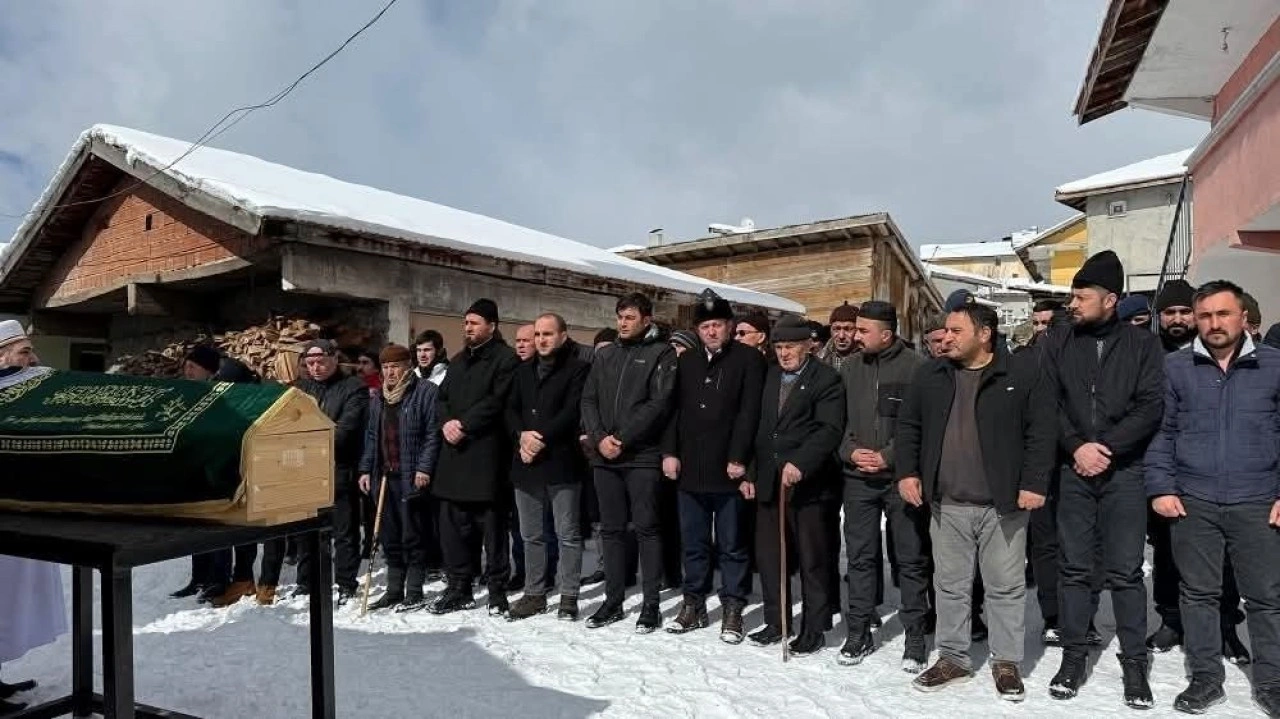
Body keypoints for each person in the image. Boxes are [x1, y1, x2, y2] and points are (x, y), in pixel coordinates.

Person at [896, 296, 1054, 700]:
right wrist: (908, 473)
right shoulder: (930, 375)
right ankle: (953, 658)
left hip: (1003, 505)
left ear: (984, 334)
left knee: (1005, 586)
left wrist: (1035, 483)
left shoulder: (1020, 373)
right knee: (949, 585)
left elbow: (1041, 432)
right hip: (947, 503)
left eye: (955, 331)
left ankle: (1006, 661)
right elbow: (909, 427)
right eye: (945, 330)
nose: (945, 337)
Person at [1144, 280, 1280, 716]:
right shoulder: (1176, 368)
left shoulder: (1274, 366)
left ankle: (1272, 681)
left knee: (1266, 597)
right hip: (1194, 501)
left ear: (1243, 317)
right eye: (1205, 316)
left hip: (1258, 500)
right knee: (1198, 593)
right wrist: (1161, 487)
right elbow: (1161, 433)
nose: (1214, 323)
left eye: (1223, 314)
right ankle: (1205, 678)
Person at [1042, 250, 1162, 708]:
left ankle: (1135, 664)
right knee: (1074, 569)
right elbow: (1047, 401)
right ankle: (1073, 657)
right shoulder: (1058, 341)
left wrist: (1106, 448)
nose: (1072, 304)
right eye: (1072, 296)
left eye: (1081, 297)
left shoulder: (1142, 345)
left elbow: (1150, 406)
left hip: (1124, 471)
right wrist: (1077, 447)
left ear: (1110, 299)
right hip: (1073, 471)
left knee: (1126, 572)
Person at [1147, 279, 1246, 658]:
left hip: (1222, 476)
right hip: (1169, 474)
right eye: (1169, 312)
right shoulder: (1150, 355)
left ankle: (1225, 625)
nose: (1177, 319)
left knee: (1225, 558)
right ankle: (1171, 620)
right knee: (1167, 552)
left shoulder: (1226, 353)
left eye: (1184, 312)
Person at [662, 290, 766, 643]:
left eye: (717, 325)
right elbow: (674, 410)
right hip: (691, 467)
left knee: (732, 544)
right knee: (693, 543)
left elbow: (750, 412)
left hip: (728, 469)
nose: (711, 331)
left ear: (729, 326)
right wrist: (670, 452)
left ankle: (733, 606)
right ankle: (693, 603)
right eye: (705, 326)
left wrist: (740, 458)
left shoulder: (748, 359)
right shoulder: (687, 360)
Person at [836, 301, 932, 671]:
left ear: (887, 334)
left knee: (910, 559)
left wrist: (888, 456)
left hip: (899, 479)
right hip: (858, 479)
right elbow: (837, 422)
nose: (855, 336)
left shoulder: (916, 367)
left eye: (863, 330)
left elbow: (921, 425)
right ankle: (858, 631)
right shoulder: (849, 367)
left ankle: (915, 637)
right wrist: (850, 451)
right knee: (860, 557)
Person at [580, 292, 677, 632]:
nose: (623, 323)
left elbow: (659, 403)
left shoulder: (661, 353)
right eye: (620, 316)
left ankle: (651, 604)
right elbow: (588, 399)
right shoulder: (605, 354)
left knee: (647, 527)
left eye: (630, 317)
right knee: (611, 529)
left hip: (641, 456)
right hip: (604, 457)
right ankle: (613, 600)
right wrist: (599, 438)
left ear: (646, 320)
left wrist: (621, 439)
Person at [747, 314, 844, 655]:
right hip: (770, 481)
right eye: (779, 347)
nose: (784, 353)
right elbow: (759, 428)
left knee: (812, 558)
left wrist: (801, 462)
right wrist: (750, 473)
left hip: (809, 485)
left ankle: (814, 628)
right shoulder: (770, 375)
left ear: (808, 346)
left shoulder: (827, 379)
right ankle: (777, 621)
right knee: (770, 556)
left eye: (790, 346)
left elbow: (828, 429)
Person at [257, 340, 368, 606]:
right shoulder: (302, 390)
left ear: (334, 359)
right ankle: (306, 581)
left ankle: (345, 583)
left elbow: (344, 431)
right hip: (305, 470)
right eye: (310, 364)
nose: (316, 368)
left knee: (344, 531)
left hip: (340, 467)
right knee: (306, 531)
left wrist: (306, 441)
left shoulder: (354, 388)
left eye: (320, 362)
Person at [428, 299, 521, 616]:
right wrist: (446, 422)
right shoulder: (458, 361)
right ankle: (459, 588)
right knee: (454, 530)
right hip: (454, 457)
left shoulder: (506, 359)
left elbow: (497, 401)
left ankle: (497, 591)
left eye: (474, 323)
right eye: (465, 322)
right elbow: (441, 398)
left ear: (492, 326)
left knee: (493, 532)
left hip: (485, 458)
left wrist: (464, 425)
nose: (467, 328)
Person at [504, 313, 591, 622]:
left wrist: (539, 439)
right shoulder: (521, 370)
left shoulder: (578, 369)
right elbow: (510, 408)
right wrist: (521, 436)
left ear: (563, 336)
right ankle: (534, 594)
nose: (541, 339)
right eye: (538, 334)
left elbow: (571, 412)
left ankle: (569, 595)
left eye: (548, 334)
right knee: (530, 534)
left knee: (567, 533)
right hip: (525, 462)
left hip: (561, 460)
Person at [0, 320, 66, 715]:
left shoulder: (25, 388)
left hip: (17, 514)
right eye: (25, 352)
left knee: (8, 602)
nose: (34, 359)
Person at [358, 343, 442, 611]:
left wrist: (424, 468)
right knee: (389, 536)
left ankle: (414, 590)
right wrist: (365, 468)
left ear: (408, 366)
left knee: (413, 534)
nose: (390, 372)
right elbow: (372, 435)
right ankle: (394, 590)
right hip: (384, 476)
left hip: (411, 474)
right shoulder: (380, 398)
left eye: (395, 366)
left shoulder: (425, 392)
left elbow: (433, 433)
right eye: (385, 367)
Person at [176, 344, 260, 606]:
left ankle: (224, 578)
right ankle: (201, 576)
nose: (188, 372)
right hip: (201, 466)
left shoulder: (231, 389)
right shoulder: (193, 393)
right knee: (199, 525)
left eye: (193, 367)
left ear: (208, 370)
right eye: (186, 366)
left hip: (230, 468)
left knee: (226, 527)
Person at [818, 302, 860, 370]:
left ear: (858, 330)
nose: (841, 336)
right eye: (836, 329)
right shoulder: (820, 359)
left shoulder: (869, 358)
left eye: (847, 329)